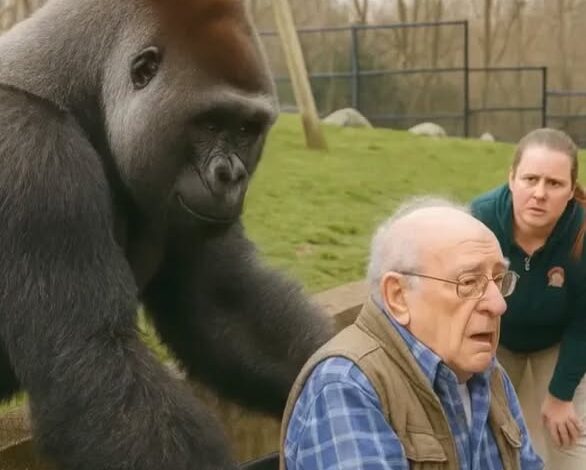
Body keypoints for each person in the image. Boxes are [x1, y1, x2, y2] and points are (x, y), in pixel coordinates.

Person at [279, 198, 543, 469]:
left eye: (498, 280)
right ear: (399, 296)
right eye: (468, 282)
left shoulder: (487, 373)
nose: (498, 304)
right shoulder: (346, 385)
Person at [471, 128, 586, 469]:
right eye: (530, 179)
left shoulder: (582, 233)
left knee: (569, 437)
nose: (539, 193)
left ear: (571, 190)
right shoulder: (480, 220)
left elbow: (584, 322)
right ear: (511, 178)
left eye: (554, 183)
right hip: (495, 339)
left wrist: (560, 395)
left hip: (558, 343)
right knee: (484, 435)